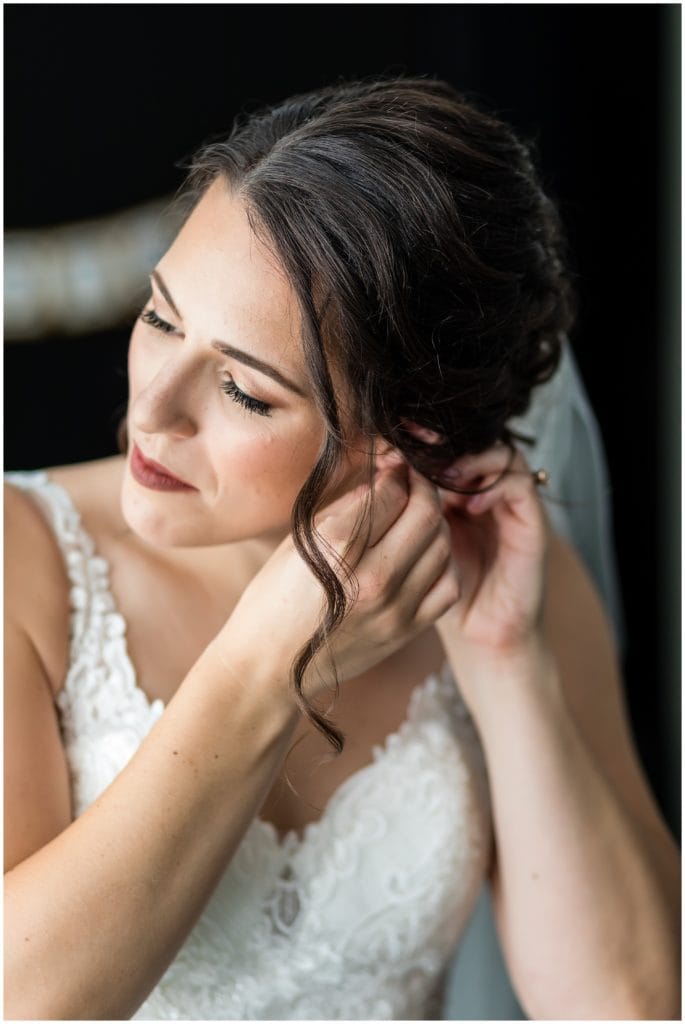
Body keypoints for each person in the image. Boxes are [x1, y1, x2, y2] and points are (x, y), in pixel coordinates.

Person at [4, 77, 679, 1021]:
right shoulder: (18, 559)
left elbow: (629, 1005)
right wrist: (263, 663)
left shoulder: (507, 579)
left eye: (244, 391)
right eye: (161, 318)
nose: (150, 411)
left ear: (407, 433)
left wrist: (504, 664)